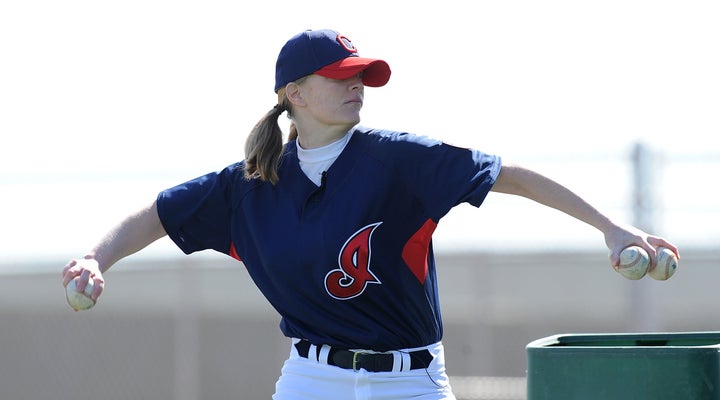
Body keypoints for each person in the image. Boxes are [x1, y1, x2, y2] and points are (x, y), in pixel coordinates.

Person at [62, 28, 679, 399]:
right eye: (340, 76)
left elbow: (509, 175)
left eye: (362, 75)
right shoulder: (249, 186)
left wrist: (612, 228)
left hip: (409, 383)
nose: (356, 85)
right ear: (294, 94)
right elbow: (158, 216)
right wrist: (97, 256)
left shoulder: (399, 161)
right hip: (311, 381)